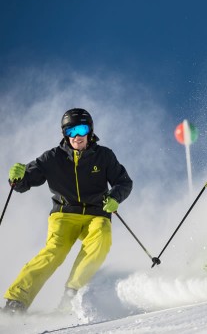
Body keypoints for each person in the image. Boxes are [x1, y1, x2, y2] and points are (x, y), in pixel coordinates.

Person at [3, 108, 133, 313]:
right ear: (64, 134)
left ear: (90, 131)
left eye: (82, 129)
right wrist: (17, 178)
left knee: (101, 239)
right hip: (64, 214)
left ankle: (73, 294)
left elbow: (123, 182)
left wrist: (115, 197)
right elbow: (26, 181)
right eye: (71, 131)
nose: (77, 136)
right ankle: (16, 300)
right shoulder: (52, 158)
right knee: (54, 251)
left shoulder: (104, 156)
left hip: (96, 212)